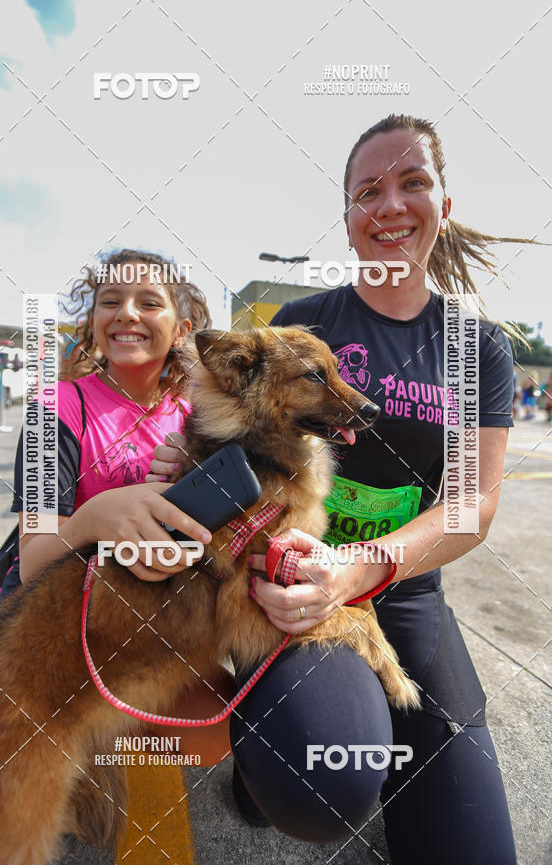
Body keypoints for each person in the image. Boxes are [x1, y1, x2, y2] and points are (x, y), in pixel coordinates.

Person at [153, 115, 529, 863]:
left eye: (412, 183)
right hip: (284, 579)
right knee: (320, 784)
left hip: (404, 586)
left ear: (442, 206)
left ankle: (389, 747)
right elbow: (220, 413)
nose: (389, 204)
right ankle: (267, 776)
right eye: (367, 191)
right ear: (349, 218)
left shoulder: (476, 347)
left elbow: (473, 504)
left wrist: (363, 569)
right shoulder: (302, 322)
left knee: (473, 849)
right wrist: (182, 449)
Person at [2, 249, 234, 762]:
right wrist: (94, 517)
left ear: (182, 328)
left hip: (145, 612)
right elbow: (36, 557)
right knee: (36, 737)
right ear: (93, 322)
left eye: (149, 302)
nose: (127, 313)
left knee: (212, 738)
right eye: (111, 301)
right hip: (54, 605)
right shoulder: (53, 407)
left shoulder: (198, 417)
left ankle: (99, 737)